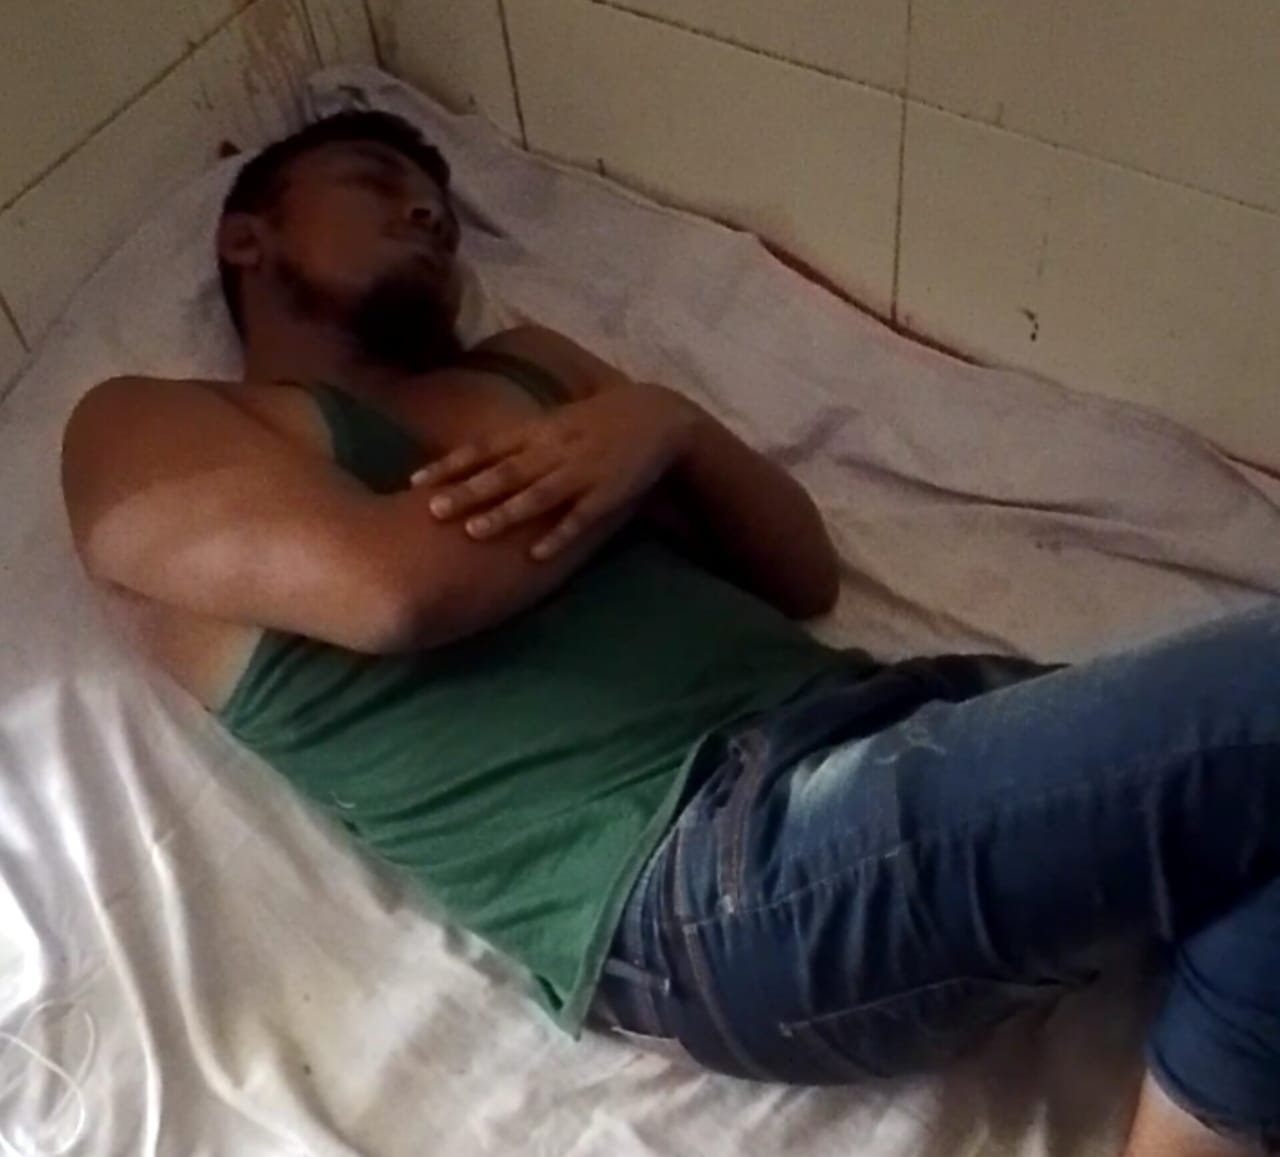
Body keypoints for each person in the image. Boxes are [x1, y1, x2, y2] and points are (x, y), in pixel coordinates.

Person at [60, 110, 1279, 1157]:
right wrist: (614, 467)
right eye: (377, 185)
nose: (427, 215)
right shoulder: (144, 426)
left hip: (886, 724)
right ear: (247, 237)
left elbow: (794, 569)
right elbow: (393, 592)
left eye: (440, 207)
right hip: (703, 865)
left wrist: (668, 423)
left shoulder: (527, 366)